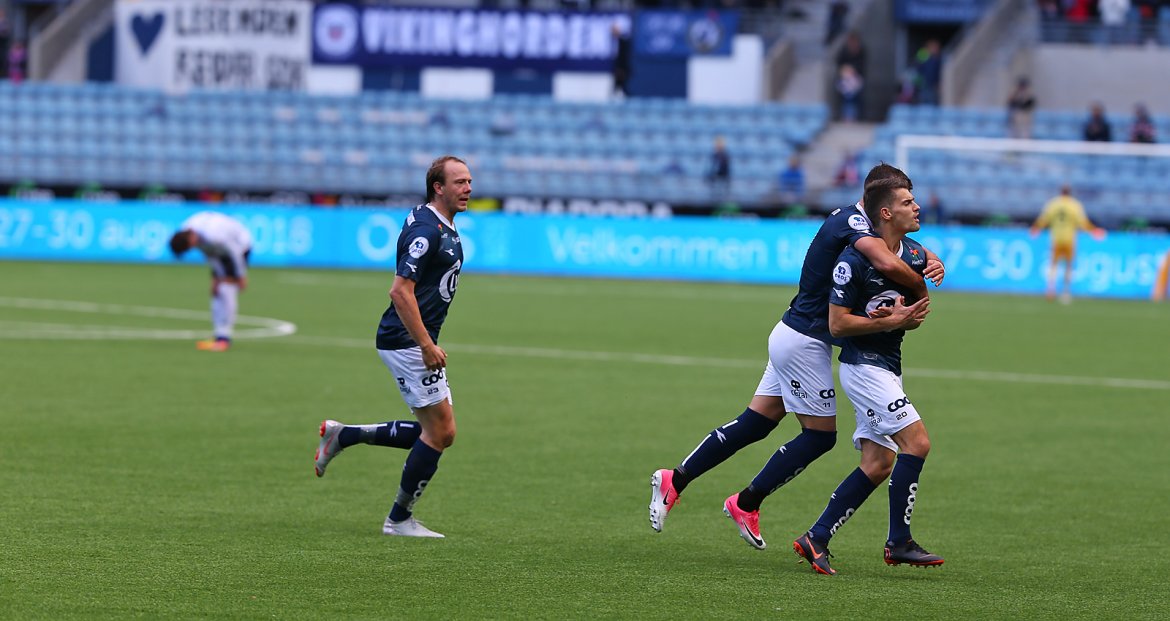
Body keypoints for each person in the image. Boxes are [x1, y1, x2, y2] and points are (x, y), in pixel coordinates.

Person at [648, 164, 945, 548]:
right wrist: (921, 282)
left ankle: (677, 479)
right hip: (805, 339)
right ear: (880, 204)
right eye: (903, 198)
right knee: (820, 438)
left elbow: (907, 249)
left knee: (755, 423)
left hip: (796, 334)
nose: (913, 205)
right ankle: (747, 501)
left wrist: (931, 258)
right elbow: (888, 263)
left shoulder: (871, 225)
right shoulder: (852, 222)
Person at [792, 167, 939, 576]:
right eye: (908, 202)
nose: (918, 206)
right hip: (863, 367)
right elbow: (838, 325)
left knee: (877, 464)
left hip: (888, 367)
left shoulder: (911, 253)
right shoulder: (852, 261)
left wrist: (935, 265)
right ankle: (899, 542)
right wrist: (895, 320)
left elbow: (924, 262)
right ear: (887, 214)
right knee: (918, 443)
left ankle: (816, 537)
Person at [314, 156, 472, 538]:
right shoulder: (427, 230)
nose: (467, 188)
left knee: (440, 432)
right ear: (439, 186)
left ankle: (344, 435)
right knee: (439, 432)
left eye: (469, 181)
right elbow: (400, 291)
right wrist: (426, 345)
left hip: (412, 340)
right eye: (459, 182)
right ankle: (399, 519)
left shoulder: (439, 223)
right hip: (407, 341)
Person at [169, 211, 254, 352]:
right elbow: (210, 254)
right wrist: (215, 278)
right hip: (219, 251)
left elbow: (234, 252)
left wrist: (241, 275)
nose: (192, 249)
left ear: (190, 240)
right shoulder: (188, 231)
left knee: (227, 289)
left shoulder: (214, 236)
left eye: (190, 247)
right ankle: (218, 336)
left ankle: (224, 339)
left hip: (240, 245)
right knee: (216, 291)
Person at [1030, 184, 1105, 303]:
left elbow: (1044, 219)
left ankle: (1050, 289)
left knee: (1053, 264)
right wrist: (1093, 230)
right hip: (1069, 239)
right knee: (1068, 265)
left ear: (1060, 192)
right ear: (1070, 193)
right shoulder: (1075, 205)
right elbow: (1082, 222)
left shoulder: (1053, 203)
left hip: (1056, 238)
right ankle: (1065, 291)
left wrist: (1036, 228)